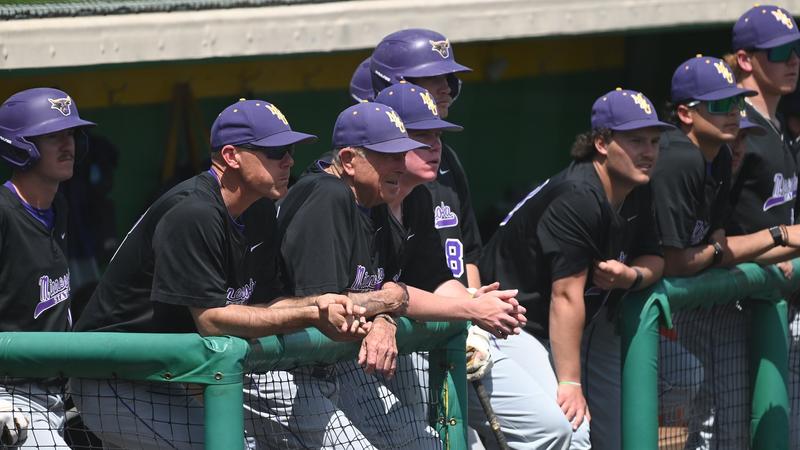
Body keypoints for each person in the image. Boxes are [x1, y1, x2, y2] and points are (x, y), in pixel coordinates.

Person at [71, 98, 365, 449]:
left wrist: (324, 302)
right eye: (275, 151)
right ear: (230, 156)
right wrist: (311, 313)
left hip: (177, 371)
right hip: (115, 376)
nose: (289, 160)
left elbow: (266, 304)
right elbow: (211, 319)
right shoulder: (193, 212)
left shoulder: (257, 210)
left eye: (290, 150)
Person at [480, 88, 669, 449]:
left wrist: (632, 276)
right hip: (507, 325)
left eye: (654, 141)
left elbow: (655, 257)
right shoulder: (579, 196)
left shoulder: (638, 187)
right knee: (572, 432)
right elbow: (566, 296)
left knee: (604, 434)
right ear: (601, 142)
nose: (648, 152)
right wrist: (570, 383)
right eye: (636, 141)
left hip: (559, 331)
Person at [0, 87, 96, 450]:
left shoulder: (60, 209)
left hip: (52, 392)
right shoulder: (4, 213)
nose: (67, 144)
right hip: (7, 392)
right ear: (19, 146)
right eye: (53, 136)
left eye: (71, 134)